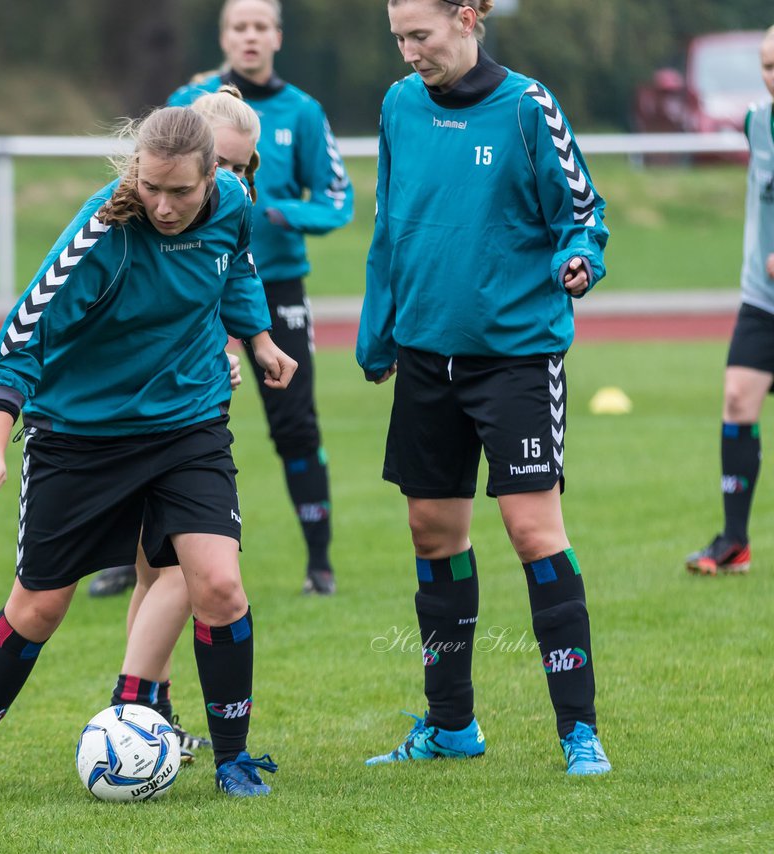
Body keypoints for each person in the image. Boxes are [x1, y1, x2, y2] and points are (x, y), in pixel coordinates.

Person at [0, 104, 294, 798]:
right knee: (38, 609)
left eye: (180, 191)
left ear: (213, 174)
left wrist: (260, 339)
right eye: (150, 186)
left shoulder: (233, 202)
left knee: (218, 585)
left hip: (188, 426)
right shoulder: (103, 233)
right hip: (81, 438)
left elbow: (236, 266)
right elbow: (19, 338)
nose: (163, 204)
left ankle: (234, 763)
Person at [356, 0, 612, 775]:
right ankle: (451, 726)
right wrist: (379, 328)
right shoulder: (400, 105)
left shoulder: (528, 107)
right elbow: (388, 222)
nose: (408, 52)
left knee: (535, 534)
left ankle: (578, 732)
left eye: (421, 35)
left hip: (516, 360)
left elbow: (583, 213)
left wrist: (580, 261)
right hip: (427, 357)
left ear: (468, 18)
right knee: (433, 536)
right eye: (398, 37)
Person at [88, 0, 354, 598]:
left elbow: (340, 199)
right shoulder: (189, 102)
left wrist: (279, 213)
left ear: (278, 37)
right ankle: (128, 560)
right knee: (157, 419)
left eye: (262, 26)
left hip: (275, 286)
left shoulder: (303, 112)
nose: (250, 36)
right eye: (240, 26)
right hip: (192, 285)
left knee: (294, 426)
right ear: (224, 35)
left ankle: (320, 563)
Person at [106, 86, 263, 766]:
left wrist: (242, 346)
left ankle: (146, 716)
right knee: (172, 573)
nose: (231, 181)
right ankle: (131, 714)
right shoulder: (143, 215)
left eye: (241, 168)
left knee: (158, 571)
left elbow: (221, 288)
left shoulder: (227, 210)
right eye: (222, 167)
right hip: (151, 416)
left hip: (190, 408)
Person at [685, 26, 774, 577]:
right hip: (761, 299)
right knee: (738, 398)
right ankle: (734, 542)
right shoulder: (755, 121)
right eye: (767, 66)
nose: (772, 77)